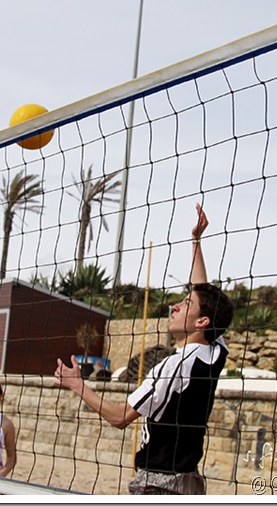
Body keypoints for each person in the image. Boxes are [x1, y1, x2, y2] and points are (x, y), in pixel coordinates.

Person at [54, 203, 234, 495]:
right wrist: (196, 242)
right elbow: (203, 294)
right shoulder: (213, 353)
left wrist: (77, 385)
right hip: (189, 482)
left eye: (184, 304)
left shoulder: (172, 367)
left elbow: (120, 417)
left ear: (201, 322)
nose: (175, 305)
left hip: (159, 485)